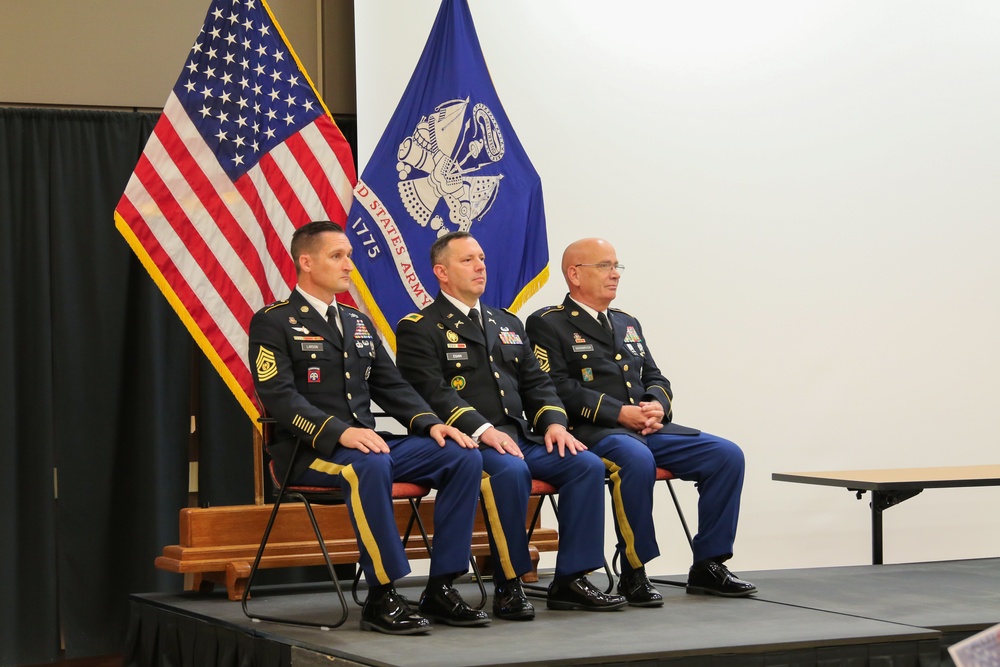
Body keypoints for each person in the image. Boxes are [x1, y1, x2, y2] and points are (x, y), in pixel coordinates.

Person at [248, 220, 489, 635]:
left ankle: (443, 584)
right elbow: (280, 398)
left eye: (349, 256)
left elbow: (392, 385)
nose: (348, 266)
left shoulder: (357, 321)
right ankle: (382, 595)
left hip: (369, 444)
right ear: (306, 262)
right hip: (310, 452)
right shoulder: (274, 321)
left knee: (463, 455)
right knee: (368, 464)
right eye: (337, 256)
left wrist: (432, 424)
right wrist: (339, 432)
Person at [395, 232, 630, 615]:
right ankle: (509, 583)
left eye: (482, 258)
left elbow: (537, 382)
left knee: (585, 465)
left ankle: (572, 579)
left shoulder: (504, 322)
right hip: (465, 442)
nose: (480, 266)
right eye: (467, 260)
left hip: (519, 435)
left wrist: (555, 423)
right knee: (510, 471)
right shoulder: (420, 326)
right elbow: (434, 392)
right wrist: (483, 430)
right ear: (441, 271)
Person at [525, 238, 757, 598]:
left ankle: (709, 563)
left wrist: (656, 404)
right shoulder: (546, 322)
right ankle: (635, 568)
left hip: (646, 429)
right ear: (574, 274)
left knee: (726, 455)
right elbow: (554, 385)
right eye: (604, 266)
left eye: (617, 265)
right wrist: (619, 412)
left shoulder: (626, 322)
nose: (615, 274)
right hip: (592, 431)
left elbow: (655, 376)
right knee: (635, 458)